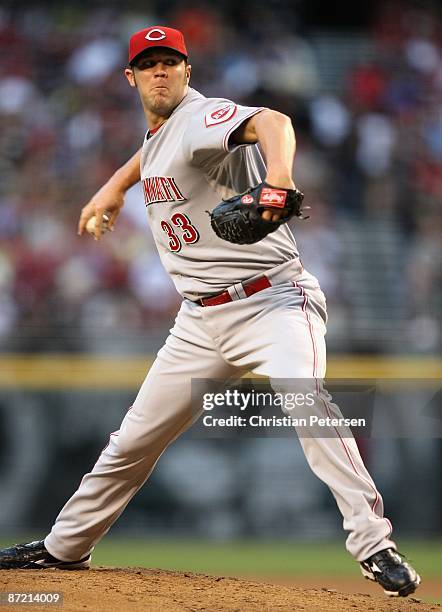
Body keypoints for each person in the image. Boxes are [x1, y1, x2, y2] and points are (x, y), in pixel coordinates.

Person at [0, 26, 420, 598]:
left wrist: (278, 179)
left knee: (306, 396)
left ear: (187, 71)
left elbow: (274, 122)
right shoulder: (163, 135)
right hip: (199, 322)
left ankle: (374, 544)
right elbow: (152, 154)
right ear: (132, 77)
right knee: (131, 442)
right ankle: (64, 550)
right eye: (149, 64)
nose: (160, 72)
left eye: (170, 62)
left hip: (270, 301)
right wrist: (112, 188)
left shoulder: (202, 118)